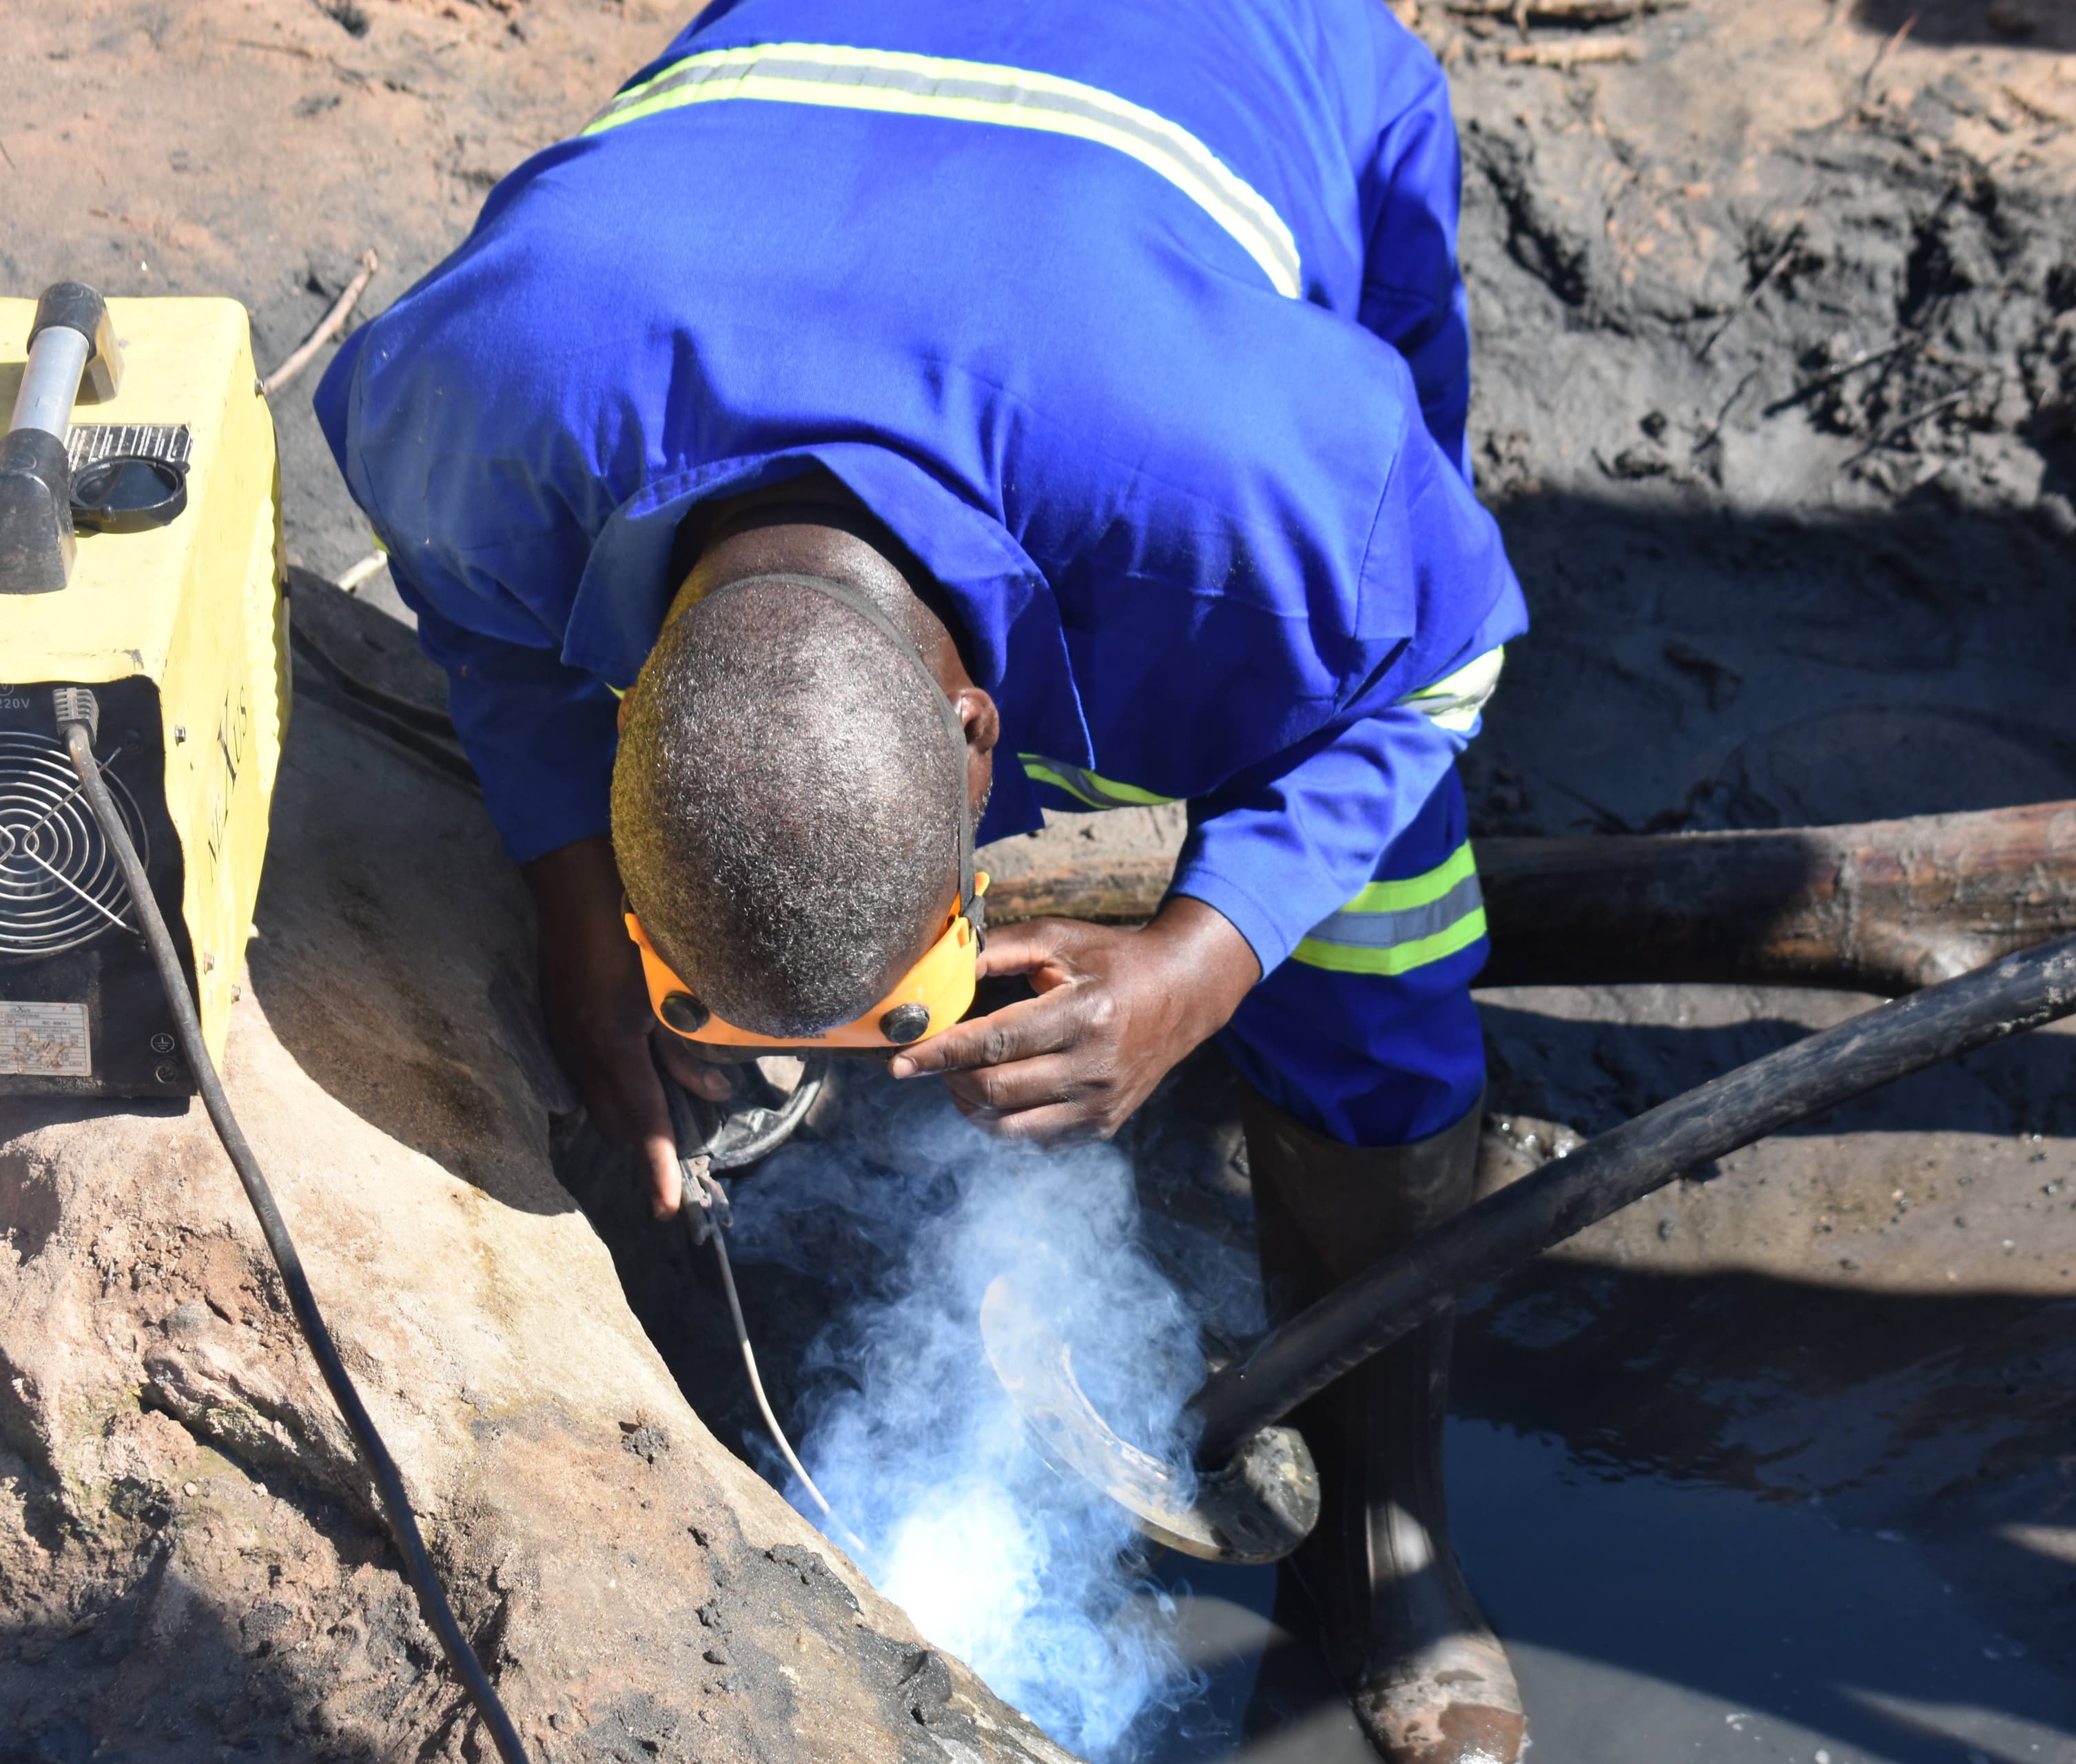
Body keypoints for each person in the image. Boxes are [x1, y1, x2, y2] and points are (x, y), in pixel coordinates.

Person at [316, 3, 1527, 1760]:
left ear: (985, 736)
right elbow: (481, 605)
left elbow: (1451, 653)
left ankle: (1384, 1527)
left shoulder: (1259, 511)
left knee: (1377, 894)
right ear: (640, 677)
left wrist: (1208, 953)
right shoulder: (484, 395)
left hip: (1273, 59)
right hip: (826, 117)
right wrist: (576, 893)